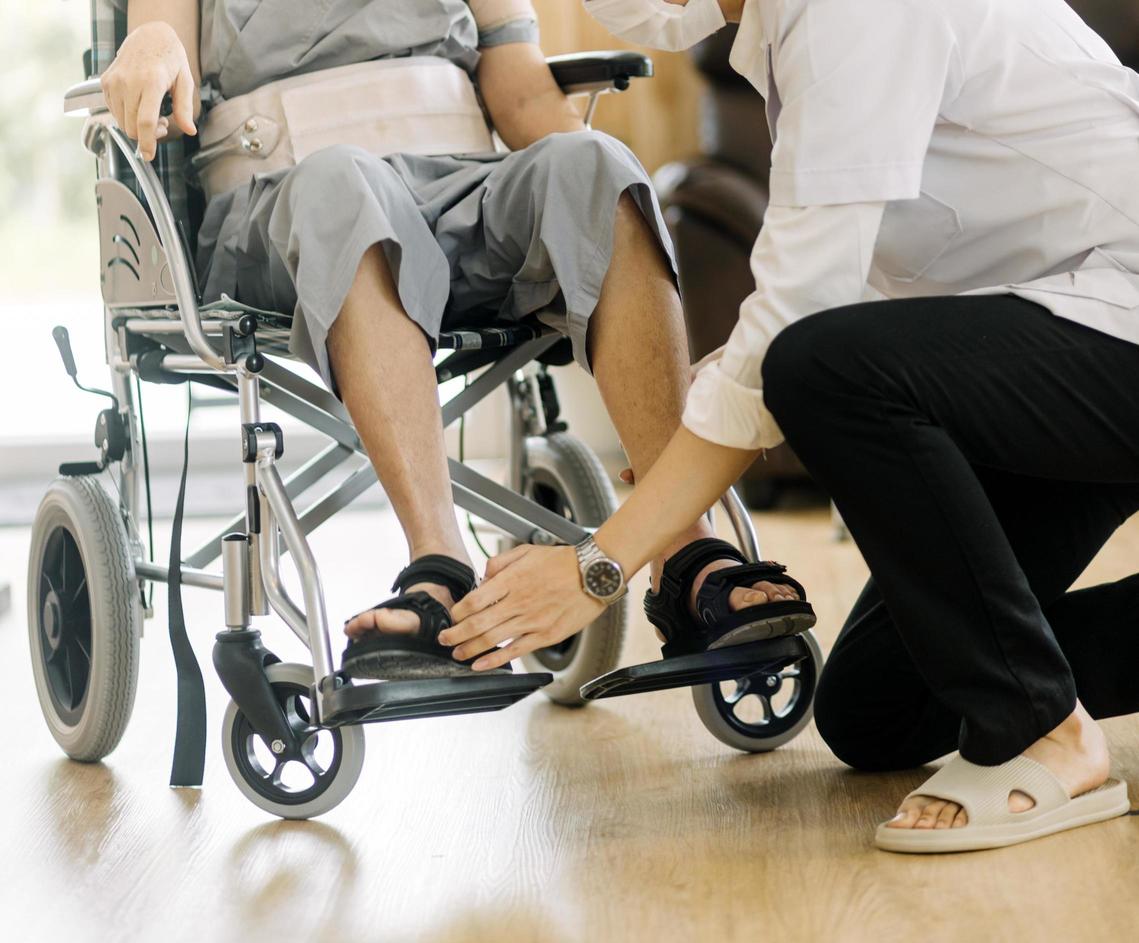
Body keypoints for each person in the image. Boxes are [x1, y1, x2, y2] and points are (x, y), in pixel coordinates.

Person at [442, 0, 1139, 853]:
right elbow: (889, 260)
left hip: (1120, 325)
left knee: (819, 366)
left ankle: (1045, 733)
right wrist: (729, 384)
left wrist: (598, 565)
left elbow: (802, 325)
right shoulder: (786, 28)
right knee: (876, 710)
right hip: (1072, 332)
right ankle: (1021, 694)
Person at [99, 0, 814, 685]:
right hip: (281, 202)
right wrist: (152, 44)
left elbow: (525, 99)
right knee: (342, 183)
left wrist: (584, 205)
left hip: (460, 189)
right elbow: (160, 34)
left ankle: (683, 553)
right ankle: (437, 569)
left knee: (598, 164)